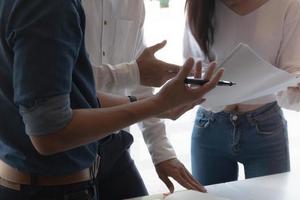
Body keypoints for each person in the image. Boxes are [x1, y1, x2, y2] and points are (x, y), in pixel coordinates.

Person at [0, 0, 223, 199]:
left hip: (75, 171)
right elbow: (49, 132)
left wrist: (158, 112)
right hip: (50, 186)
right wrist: (158, 102)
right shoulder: (49, 7)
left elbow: (73, 93)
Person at [184, 0, 300, 185]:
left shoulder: (288, 4)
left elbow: (293, 68)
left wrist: (298, 82)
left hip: (264, 128)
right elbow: (194, 68)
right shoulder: (198, 4)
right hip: (209, 126)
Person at [81, 1, 205, 199]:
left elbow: (140, 81)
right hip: (69, 146)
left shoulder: (133, 4)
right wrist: (135, 73)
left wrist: (161, 152)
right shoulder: (62, 7)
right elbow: (67, 83)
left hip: (116, 145)